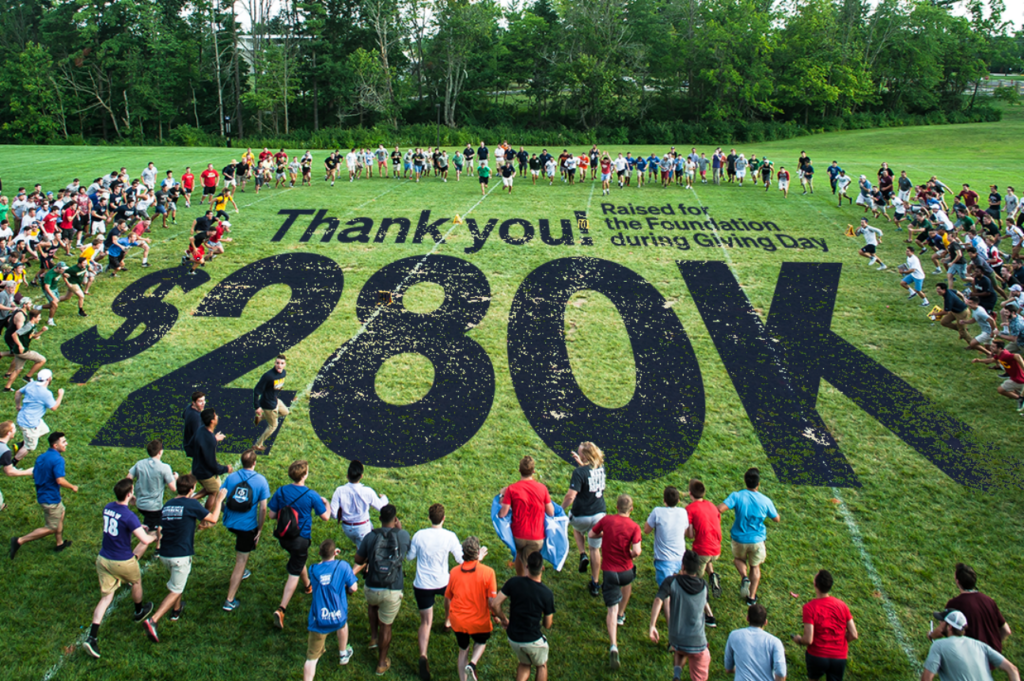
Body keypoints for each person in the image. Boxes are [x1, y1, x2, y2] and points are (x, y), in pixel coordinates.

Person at [142, 474, 222, 642]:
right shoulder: (192, 504)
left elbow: (160, 528)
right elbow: (213, 519)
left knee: (177, 581)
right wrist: (220, 500)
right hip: (180, 555)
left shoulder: (168, 504)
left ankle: (176, 611)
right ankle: (153, 620)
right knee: (176, 589)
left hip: (165, 553)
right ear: (192, 489)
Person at [83, 478, 157, 658]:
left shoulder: (108, 507)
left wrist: (137, 526)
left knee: (106, 598)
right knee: (136, 581)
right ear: (130, 494)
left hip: (103, 559)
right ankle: (139, 611)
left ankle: (92, 637)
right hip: (122, 561)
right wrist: (155, 535)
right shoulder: (130, 516)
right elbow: (145, 540)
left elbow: (120, 524)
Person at [269, 459, 331, 630]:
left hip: (284, 538)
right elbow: (326, 517)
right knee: (294, 571)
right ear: (304, 475)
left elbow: (271, 515)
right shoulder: (311, 495)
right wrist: (327, 504)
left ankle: (308, 586)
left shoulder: (281, 491)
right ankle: (281, 609)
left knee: (298, 559)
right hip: (300, 540)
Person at [408, 503, 464, 680]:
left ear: (429, 518)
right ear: (444, 518)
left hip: (422, 584)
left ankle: (423, 655)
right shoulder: (449, 536)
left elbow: (409, 557)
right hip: (442, 581)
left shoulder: (419, 535)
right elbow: (461, 559)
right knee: (449, 594)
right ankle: (447, 620)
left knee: (426, 622)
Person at [355, 503, 411, 676]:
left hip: (372, 586)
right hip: (392, 589)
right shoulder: (403, 535)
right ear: (395, 519)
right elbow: (406, 552)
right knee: (386, 625)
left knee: (372, 605)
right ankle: (381, 663)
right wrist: (400, 529)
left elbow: (358, 559)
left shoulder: (370, 536)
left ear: (379, 519)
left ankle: (373, 637)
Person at [590, 494, 642, 670]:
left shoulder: (607, 520)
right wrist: (630, 555)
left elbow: (592, 533)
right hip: (626, 571)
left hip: (610, 572)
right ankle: (622, 614)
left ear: (616, 507)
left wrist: (605, 534)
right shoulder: (634, 527)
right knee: (627, 584)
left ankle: (613, 645)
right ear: (631, 509)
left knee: (610, 609)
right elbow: (637, 551)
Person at [717, 467, 780, 606]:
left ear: (745, 481)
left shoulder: (737, 496)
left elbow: (720, 509)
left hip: (739, 539)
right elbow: (776, 519)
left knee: (738, 560)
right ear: (758, 484)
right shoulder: (765, 500)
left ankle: (744, 577)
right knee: (755, 567)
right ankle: (751, 598)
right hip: (757, 540)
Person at [9, 431, 76, 559]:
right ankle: (19, 541)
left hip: (43, 494)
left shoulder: (41, 457)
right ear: (55, 445)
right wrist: (73, 487)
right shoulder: (58, 460)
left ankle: (59, 543)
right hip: (50, 499)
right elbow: (60, 480)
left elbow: (35, 473)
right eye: (63, 442)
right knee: (51, 527)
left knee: (61, 513)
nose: (66, 444)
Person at [218, 447, 270, 611]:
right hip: (247, 528)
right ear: (254, 463)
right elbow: (263, 509)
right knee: (241, 560)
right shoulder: (261, 480)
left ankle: (243, 571)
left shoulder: (231, 477)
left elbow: (220, 497)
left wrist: (226, 512)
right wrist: (259, 529)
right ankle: (229, 600)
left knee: (242, 551)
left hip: (230, 524)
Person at [491, 551, 554, 681]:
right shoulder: (547, 594)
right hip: (533, 639)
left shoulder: (513, 582)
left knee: (524, 663)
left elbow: (495, 604)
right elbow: (547, 625)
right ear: (542, 568)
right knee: (541, 665)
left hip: (514, 638)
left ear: (526, 567)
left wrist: (504, 619)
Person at [648, 550, 710, 681]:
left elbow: (658, 599)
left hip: (676, 640)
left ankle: (677, 675)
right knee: (703, 657)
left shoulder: (671, 581)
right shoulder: (704, 586)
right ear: (698, 567)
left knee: (680, 649)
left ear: (683, 566)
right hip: (698, 642)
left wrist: (652, 625)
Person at [302, 539, 359, 680]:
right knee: (343, 625)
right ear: (335, 553)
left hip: (319, 621)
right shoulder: (343, 566)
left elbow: (322, 572)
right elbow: (354, 588)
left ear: (319, 553)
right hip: (339, 617)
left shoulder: (312, 570)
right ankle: (343, 654)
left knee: (311, 659)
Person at [792, 570, 858, 681]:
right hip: (839, 657)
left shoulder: (809, 608)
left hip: (817, 656)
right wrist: (839, 642)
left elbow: (808, 640)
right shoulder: (842, 605)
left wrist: (798, 640)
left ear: (815, 584)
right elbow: (854, 634)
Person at [446, 536, 496, 681]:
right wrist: (496, 616)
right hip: (479, 622)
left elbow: (448, 596)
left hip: (459, 621)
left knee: (463, 651)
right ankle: (473, 664)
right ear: (477, 553)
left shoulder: (454, 572)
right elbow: (492, 601)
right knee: (480, 642)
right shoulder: (488, 572)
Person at [931, 563, 1012, 652]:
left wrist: (931, 635)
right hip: (993, 657)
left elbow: (941, 631)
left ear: (957, 582)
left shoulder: (955, 604)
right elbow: (1006, 630)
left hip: (972, 656)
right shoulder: (989, 601)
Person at [923, 609, 1020, 681]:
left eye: (941, 622)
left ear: (950, 627)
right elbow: (1013, 669)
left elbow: (926, 679)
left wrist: (932, 635)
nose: (939, 623)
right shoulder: (980, 645)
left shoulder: (939, 645)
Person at [562, 441, 606, 596]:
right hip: (599, 515)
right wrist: (582, 464)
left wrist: (560, 509)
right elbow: (590, 474)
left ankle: (582, 553)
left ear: (585, 456)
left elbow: (570, 496)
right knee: (595, 549)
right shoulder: (601, 468)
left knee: (576, 528)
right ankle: (595, 583)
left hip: (581, 515)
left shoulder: (578, 473)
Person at [499, 456, 554, 577]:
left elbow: (502, 513)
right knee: (533, 565)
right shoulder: (542, 488)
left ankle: (521, 579)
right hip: (536, 538)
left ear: (519, 470)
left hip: (518, 536)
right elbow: (551, 512)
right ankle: (530, 583)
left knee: (520, 556)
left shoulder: (511, 489)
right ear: (533, 471)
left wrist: (502, 495)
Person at [126, 439, 176, 553]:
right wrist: (176, 478)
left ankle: (158, 547)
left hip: (140, 504)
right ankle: (135, 556)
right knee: (150, 535)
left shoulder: (140, 464)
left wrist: (131, 496)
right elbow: (173, 488)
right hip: (154, 508)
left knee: (159, 524)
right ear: (160, 452)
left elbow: (128, 479)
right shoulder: (164, 468)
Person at [331, 459, 389, 547]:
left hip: (347, 528)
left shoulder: (339, 491)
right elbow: (382, 508)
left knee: (364, 544)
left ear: (347, 476)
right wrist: (384, 498)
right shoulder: (368, 491)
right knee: (365, 550)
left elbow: (333, 514)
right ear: (361, 476)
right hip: (363, 528)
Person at [724, 603, 787, 681]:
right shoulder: (775, 642)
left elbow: (728, 669)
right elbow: (781, 672)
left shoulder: (734, 635)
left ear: (747, 618)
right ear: (765, 622)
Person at [13, 368, 63, 461]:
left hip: (27, 417)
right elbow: (54, 407)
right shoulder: (46, 394)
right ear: (49, 379)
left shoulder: (31, 384)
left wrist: (18, 406)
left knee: (44, 430)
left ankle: (20, 444)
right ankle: (12, 463)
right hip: (30, 423)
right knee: (30, 447)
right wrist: (60, 395)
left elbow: (18, 392)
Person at [685, 479, 722, 601]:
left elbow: (690, 535)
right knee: (707, 558)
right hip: (716, 549)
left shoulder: (690, 509)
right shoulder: (712, 506)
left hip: (702, 551)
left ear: (690, 493)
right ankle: (712, 575)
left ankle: (700, 596)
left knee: (696, 576)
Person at [190, 408, 231, 513]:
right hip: (204, 473)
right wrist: (226, 469)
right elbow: (212, 464)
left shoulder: (201, 430)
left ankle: (190, 499)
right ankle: (205, 518)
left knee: (212, 487)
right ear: (212, 421)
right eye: (215, 415)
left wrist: (214, 439)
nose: (217, 416)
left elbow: (196, 444)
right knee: (214, 492)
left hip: (196, 467)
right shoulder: (209, 439)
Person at [2, 304, 48, 391]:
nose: (40, 319)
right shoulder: (28, 326)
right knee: (42, 360)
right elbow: (14, 334)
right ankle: (28, 377)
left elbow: (33, 336)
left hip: (18, 351)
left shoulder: (32, 326)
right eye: (39, 317)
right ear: (34, 318)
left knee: (17, 370)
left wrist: (42, 331)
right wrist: (20, 345)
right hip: (22, 351)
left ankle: (7, 387)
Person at [253, 354, 288, 451]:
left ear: (285, 364)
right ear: (274, 363)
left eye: (282, 363)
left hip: (275, 400)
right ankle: (257, 445)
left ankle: (261, 417)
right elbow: (256, 391)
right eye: (277, 363)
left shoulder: (283, 373)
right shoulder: (268, 376)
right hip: (268, 404)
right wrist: (257, 406)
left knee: (285, 412)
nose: (279, 365)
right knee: (273, 426)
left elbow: (276, 387)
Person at [0, 421, 32, 511]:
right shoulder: (5, 451)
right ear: (8, 433)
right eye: (14, 429)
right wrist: (27, 472)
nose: (16, 430)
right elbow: (9, 472)